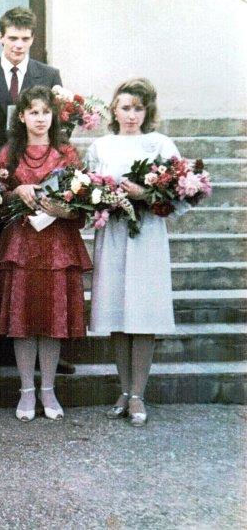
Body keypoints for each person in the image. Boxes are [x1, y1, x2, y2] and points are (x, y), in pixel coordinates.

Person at [0, 6, 65, 372]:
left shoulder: (48, 75)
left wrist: (51, 183)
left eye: (25, 39)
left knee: (39, 272)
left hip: (37, 188)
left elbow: (58, 131)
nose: (18, 45)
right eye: (12, 38)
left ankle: (47, 354)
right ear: (0, 37)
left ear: (32, 39)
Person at [0, 86, 91, 422]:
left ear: (54, 116)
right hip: (21, 244)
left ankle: (48, 389)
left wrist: (62, 208)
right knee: (23, 320)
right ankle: (27, 390)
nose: (40, 119)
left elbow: (82, 205)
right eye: (33, 112)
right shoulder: (9, 153)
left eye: (45, 112)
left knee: (52, 319)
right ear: (21, 116)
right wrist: (17, 190)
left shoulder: (66, 153)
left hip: (58, 245)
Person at [87, 78, 177, 427]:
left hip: (146, 235)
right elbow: (89, 191)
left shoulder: (160, 144)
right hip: (113, 233)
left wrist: (145, 194)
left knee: (142, 313)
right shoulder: (101, 146)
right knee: (117, 313)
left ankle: (138, 393)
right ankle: (123, 391)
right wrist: (103, 197)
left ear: (146, 111)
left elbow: (178, 194)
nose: (131, 115)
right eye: (125, 108)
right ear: (114, 110)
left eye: (138, 108)